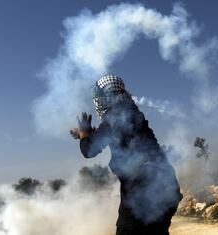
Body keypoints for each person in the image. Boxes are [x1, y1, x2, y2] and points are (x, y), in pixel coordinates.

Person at [70, 75, 182, 235]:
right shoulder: (132, 111)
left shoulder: (114, 116)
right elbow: (121, 137)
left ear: (105, 96)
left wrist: (84, 134)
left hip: (142, 188)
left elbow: (88, 150)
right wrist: (88, 135)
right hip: (167, 187)